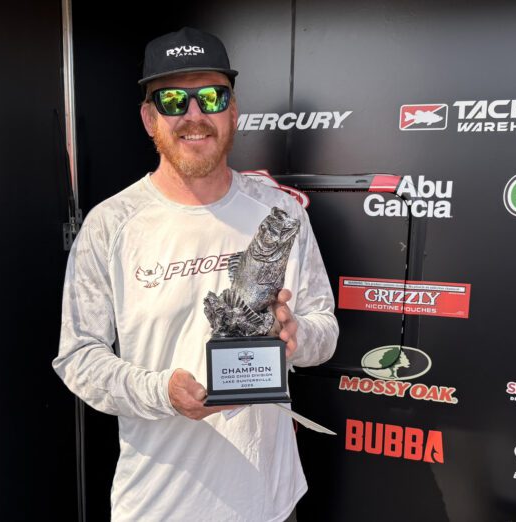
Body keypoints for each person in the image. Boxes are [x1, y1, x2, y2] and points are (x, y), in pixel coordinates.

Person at [52, 26, 339, 522]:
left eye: (211, 97)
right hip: (159, 506)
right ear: (149, 118)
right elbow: (78, 358)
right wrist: (161, 392)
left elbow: (324, 330)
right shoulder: (110, 225)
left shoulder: (281, 213)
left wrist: (297, 337)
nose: (193, 115)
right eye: (172, 100)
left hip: (268, 503)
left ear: (233, 110)